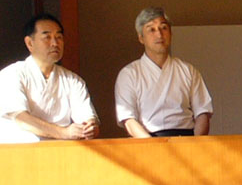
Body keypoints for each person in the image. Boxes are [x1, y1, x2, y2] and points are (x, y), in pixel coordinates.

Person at [115, 7, 213, 137]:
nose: (159, 35)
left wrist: (195, 143)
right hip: (147, 140)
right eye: (151, 29)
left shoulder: (188, 70)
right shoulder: (129, 74)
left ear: (171, 33)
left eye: (164, 28)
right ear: (141, 38)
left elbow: (202, 112)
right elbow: (128, 119)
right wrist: (153, 145)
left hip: (186, 138)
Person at [0, 13, 99, 143]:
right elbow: (21, 119)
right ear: (29, 43)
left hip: (61, 150)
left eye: (59, 37)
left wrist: (89, 127)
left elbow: (87, 117)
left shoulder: (73, 80)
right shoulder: (12, 74)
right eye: (47, 37)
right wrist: (64, 132)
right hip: (19, 149)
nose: (54, 43)